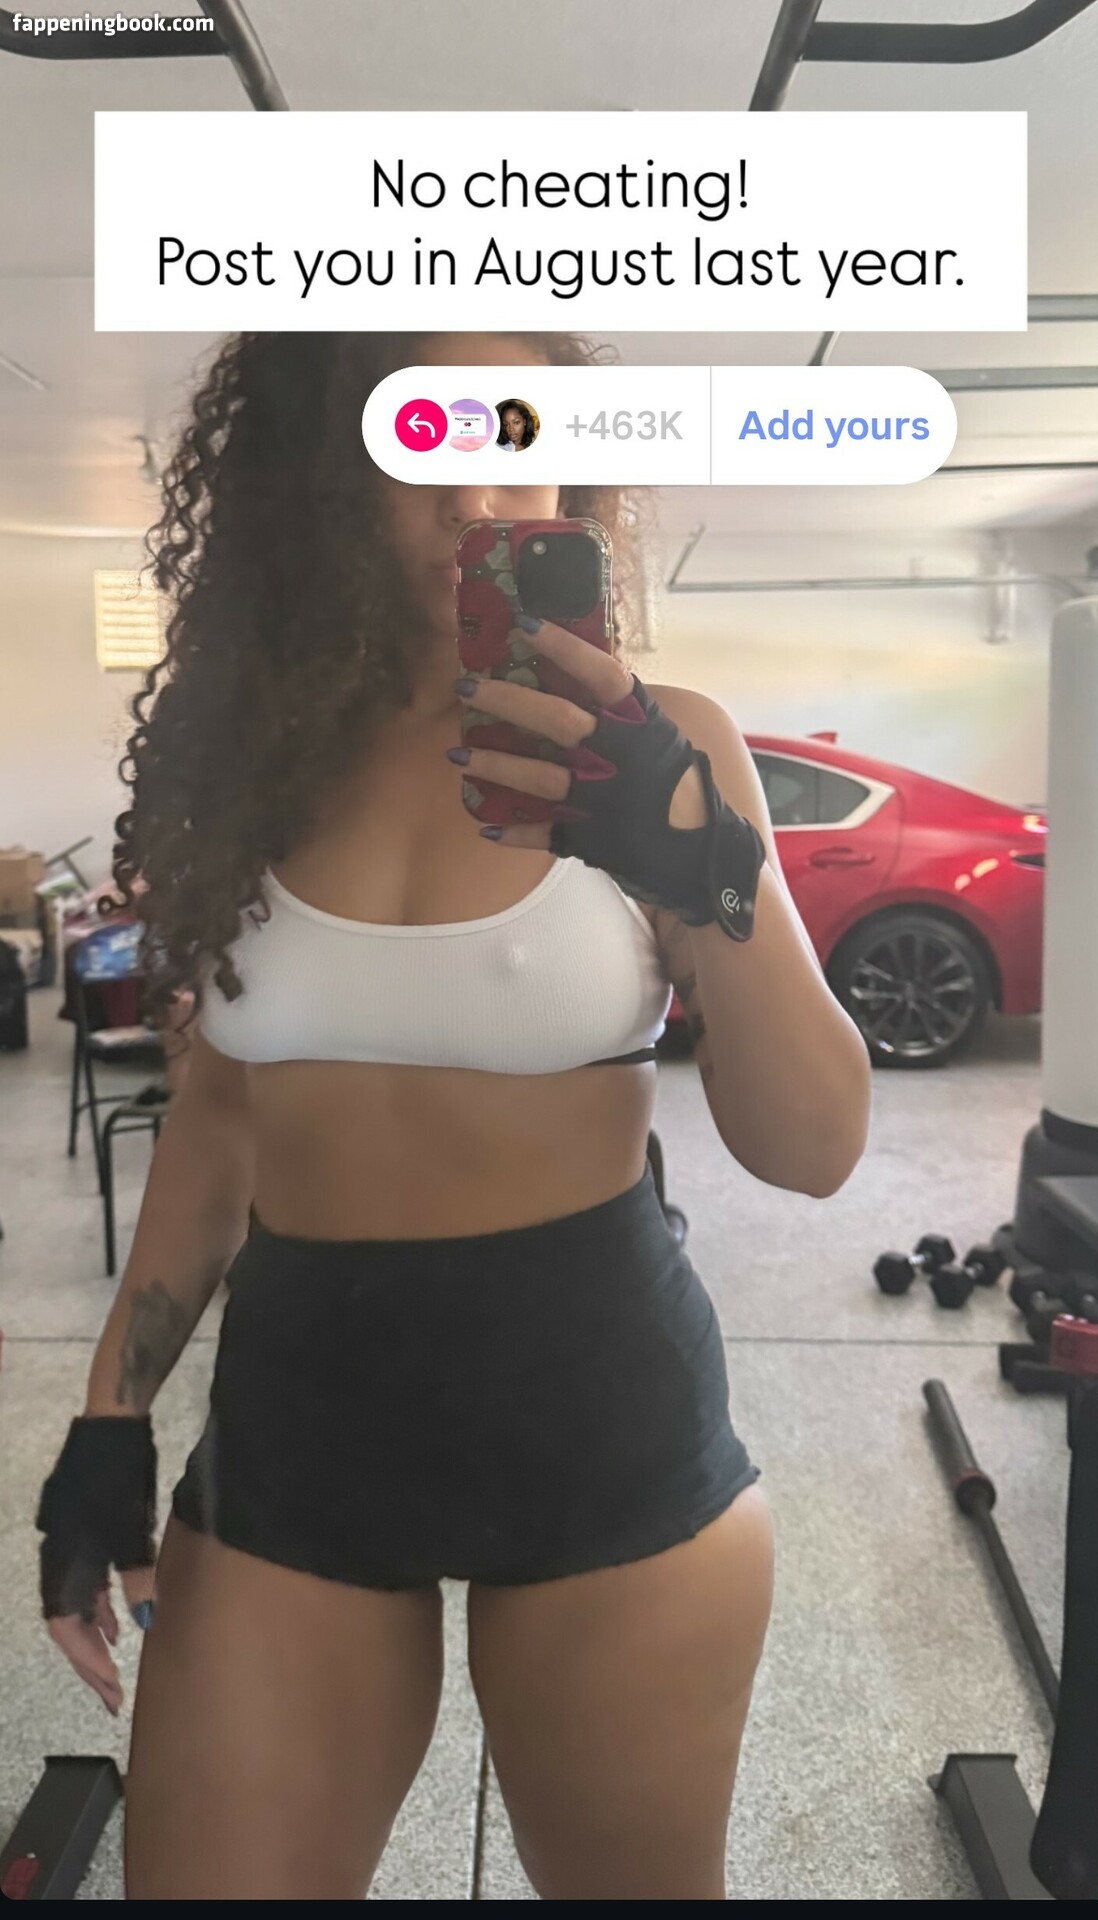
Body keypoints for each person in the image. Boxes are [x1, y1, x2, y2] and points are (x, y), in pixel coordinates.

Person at [34, 330, 871, 1901]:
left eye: (515, 441)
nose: (475, 497)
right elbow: (223, 1118)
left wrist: (704, 871)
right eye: (419, 442)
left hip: (599, 1419)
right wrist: (108, 1420)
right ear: (322, 475)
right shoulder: (253, 762)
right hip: (299, 1427)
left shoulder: (664, 742)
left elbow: (813, 1150)